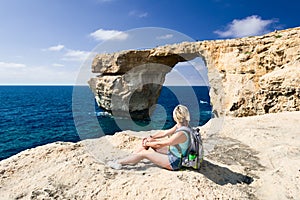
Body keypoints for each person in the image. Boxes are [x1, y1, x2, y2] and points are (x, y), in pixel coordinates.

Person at [107, 104, 192, 171]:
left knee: (145, 153)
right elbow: (165, 132)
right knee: (150, 143)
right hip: (174, 152)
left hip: (175, 162)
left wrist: (147, 143)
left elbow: (162, 144)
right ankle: (133, 158)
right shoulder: (181, 126)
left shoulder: (181, 133)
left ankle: (119, 162)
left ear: (175, 117)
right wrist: (151, 137)